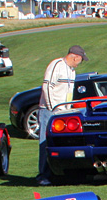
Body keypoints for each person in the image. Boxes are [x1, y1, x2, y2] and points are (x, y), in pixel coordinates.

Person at [37, 45, 87, 185]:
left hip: (64, 112)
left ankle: (58, 173)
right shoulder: (56, 65)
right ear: (75, 56)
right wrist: (52, 107)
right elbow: (47, 86)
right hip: (49, 110)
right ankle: (43, 175)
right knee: (45, 142)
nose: (80, 63)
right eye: (80, 60)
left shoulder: (72, 71)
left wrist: (68, 108)